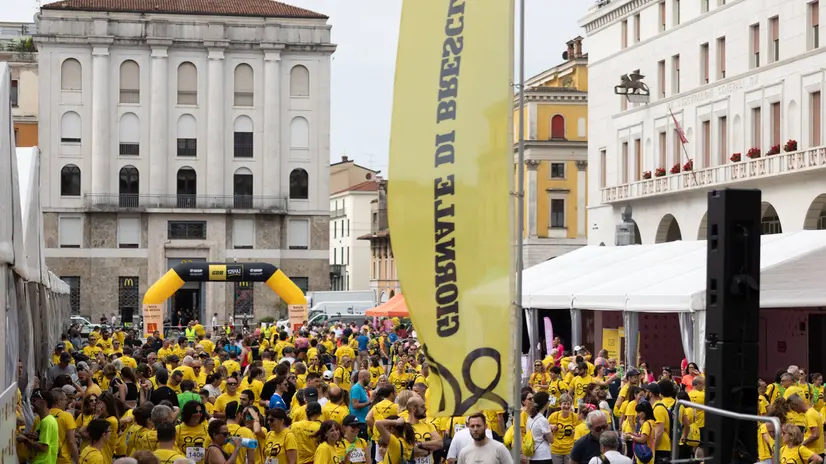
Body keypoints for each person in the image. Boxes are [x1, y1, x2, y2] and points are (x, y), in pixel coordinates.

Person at [22, 389, 60, 464]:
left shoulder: (47, 421)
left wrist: (25, 440)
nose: (32, 404)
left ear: (43, 403)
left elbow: (43, 448)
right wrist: (32, 437)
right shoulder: (41, 420)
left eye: (34, 400)